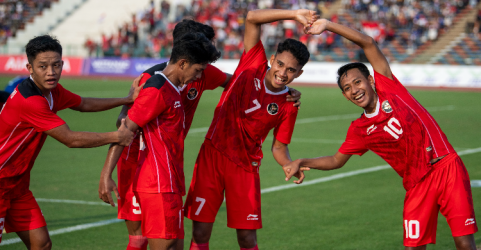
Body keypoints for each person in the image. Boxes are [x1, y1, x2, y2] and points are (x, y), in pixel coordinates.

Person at [98, 19, 302, 250]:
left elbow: (235, 83)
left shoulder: (201, 73)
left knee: (174, 239)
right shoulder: (153, 81)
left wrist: (282, 89)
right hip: (138, 162)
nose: (201, 71)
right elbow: (125, 124)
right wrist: (107, 172)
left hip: (170, 165)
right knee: (141, 237)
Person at [284, 19, 478, 250]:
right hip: (416, 185)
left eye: (358, 82)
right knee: (413, 248)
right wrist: (303, 161)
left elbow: (368, 42)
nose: (355, 90)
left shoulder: (389, 86)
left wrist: (328, 25)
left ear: (371, 81)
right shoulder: (359, 129)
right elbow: (337, 160)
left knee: (465, 245)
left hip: (446, 169)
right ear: (345, 96)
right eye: (347, 88)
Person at [183, 9, 317, 250]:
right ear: (273, 58)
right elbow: (253, 16)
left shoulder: (289, 105)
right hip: (212, 157)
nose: (282, 73)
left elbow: (279, 146)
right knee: (200, 232)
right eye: (280, 64)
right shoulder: (252, 61)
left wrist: (287, 163)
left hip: (245, 168)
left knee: (247, 238)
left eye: (291, 70)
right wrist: (294, 14)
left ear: (299, 73)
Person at [0, 35, 141, 249]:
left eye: (56, 65)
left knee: (42, 244)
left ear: (63, 64)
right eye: (43, 66)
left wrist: (126, 100)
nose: (51, 72)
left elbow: (83, 103)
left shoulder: (52, 91)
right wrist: (116, 136)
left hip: (16, 185)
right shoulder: (30, 101)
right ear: (30, 67)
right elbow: (70, 139)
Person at [99, 32, 221, 250]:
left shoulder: (173, 88)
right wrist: (106, 176)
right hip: (158, 184)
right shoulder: (157, 89)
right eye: (198, 70)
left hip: (168, 180)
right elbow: (124, 130)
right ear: (183, 63)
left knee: (171, 244)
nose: (200, 77)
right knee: (164, 245)